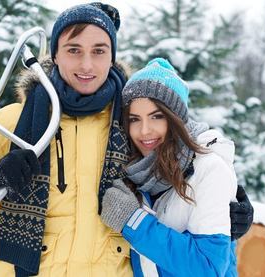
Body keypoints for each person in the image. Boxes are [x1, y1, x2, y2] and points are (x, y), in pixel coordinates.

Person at [0, 2, 252, 277]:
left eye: (99, 51)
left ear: (112, 57)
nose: (87, 64)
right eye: (74, 50)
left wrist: (231, 205)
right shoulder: (13, 122)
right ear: (55, 55)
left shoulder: (130, 125)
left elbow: (185, 163)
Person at [100, 58, 238, 276]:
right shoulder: (138, 172)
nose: (144, 130)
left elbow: (208, 268)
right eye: (134, 119)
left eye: (157, 116)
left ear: (176, 119)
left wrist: (132, 221)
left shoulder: (208, 170)